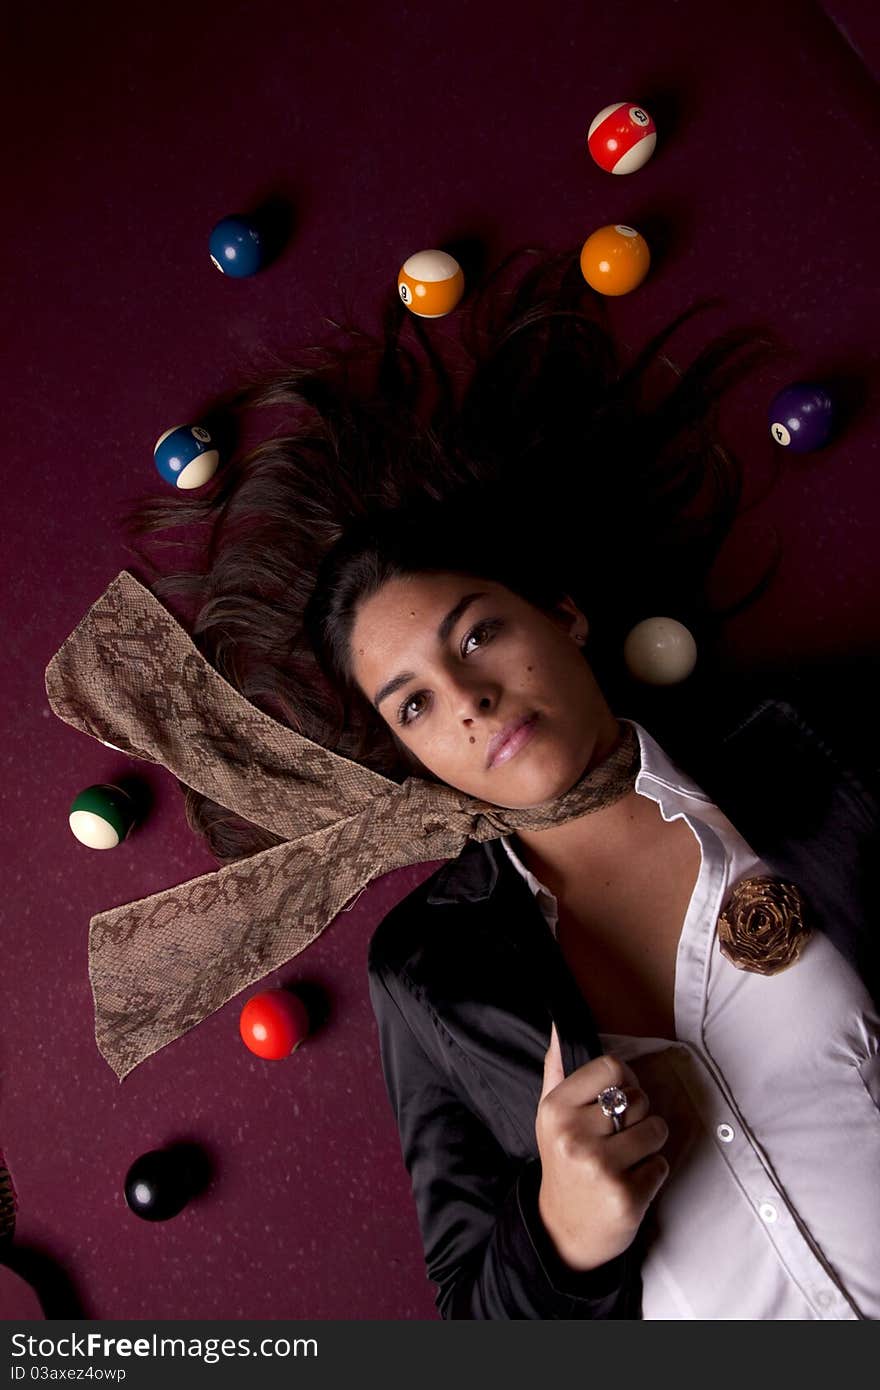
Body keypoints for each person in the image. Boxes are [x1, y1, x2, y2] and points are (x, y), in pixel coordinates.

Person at [121, 246, 880, 1318]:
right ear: (409, 753)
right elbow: (477, 1321)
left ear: (562, 616)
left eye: (478, 634)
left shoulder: (812, 752)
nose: (469, 698)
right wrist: (562, 1232)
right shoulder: (427, 970)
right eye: (415, 703)